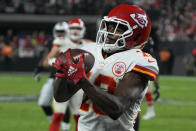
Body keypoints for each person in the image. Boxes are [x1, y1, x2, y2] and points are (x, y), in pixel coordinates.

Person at [52, 4, 159, 131]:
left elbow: (116, 108)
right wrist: (62, 74)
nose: (109, 32)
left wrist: (82, 80)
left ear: (136, 35)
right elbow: (61, 97)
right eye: (109, 26)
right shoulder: (90, 51)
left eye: (118, 29)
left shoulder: (138, 60)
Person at [48, 18, 95, 131]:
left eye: (78, 28)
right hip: (62, 83)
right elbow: (49, 59)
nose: (75, 31)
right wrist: (60, 64)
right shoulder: (61, 41)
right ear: (68, 30)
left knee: (79, 117)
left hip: (79, 85)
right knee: (58, 115)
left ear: (83, 30)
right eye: (72, 28)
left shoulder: (89, 44)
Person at [33, 21, 69, 125]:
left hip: (66, 78)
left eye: (62, 32)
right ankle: (52, 122)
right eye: (58, 32)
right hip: (52, 77)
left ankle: (65, 128)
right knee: (43, 102)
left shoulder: (71, 43)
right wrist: (38, 69)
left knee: (62, 104)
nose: (60, 34)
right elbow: (46, 58)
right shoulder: (51, 42)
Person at [142, 37, 160, 120]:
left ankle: (151, 112)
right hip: (145, 68)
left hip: (146, 70)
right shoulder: (151, 53)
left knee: (147, 91)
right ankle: (150, 112)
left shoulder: (148, 54)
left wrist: (157, 85)